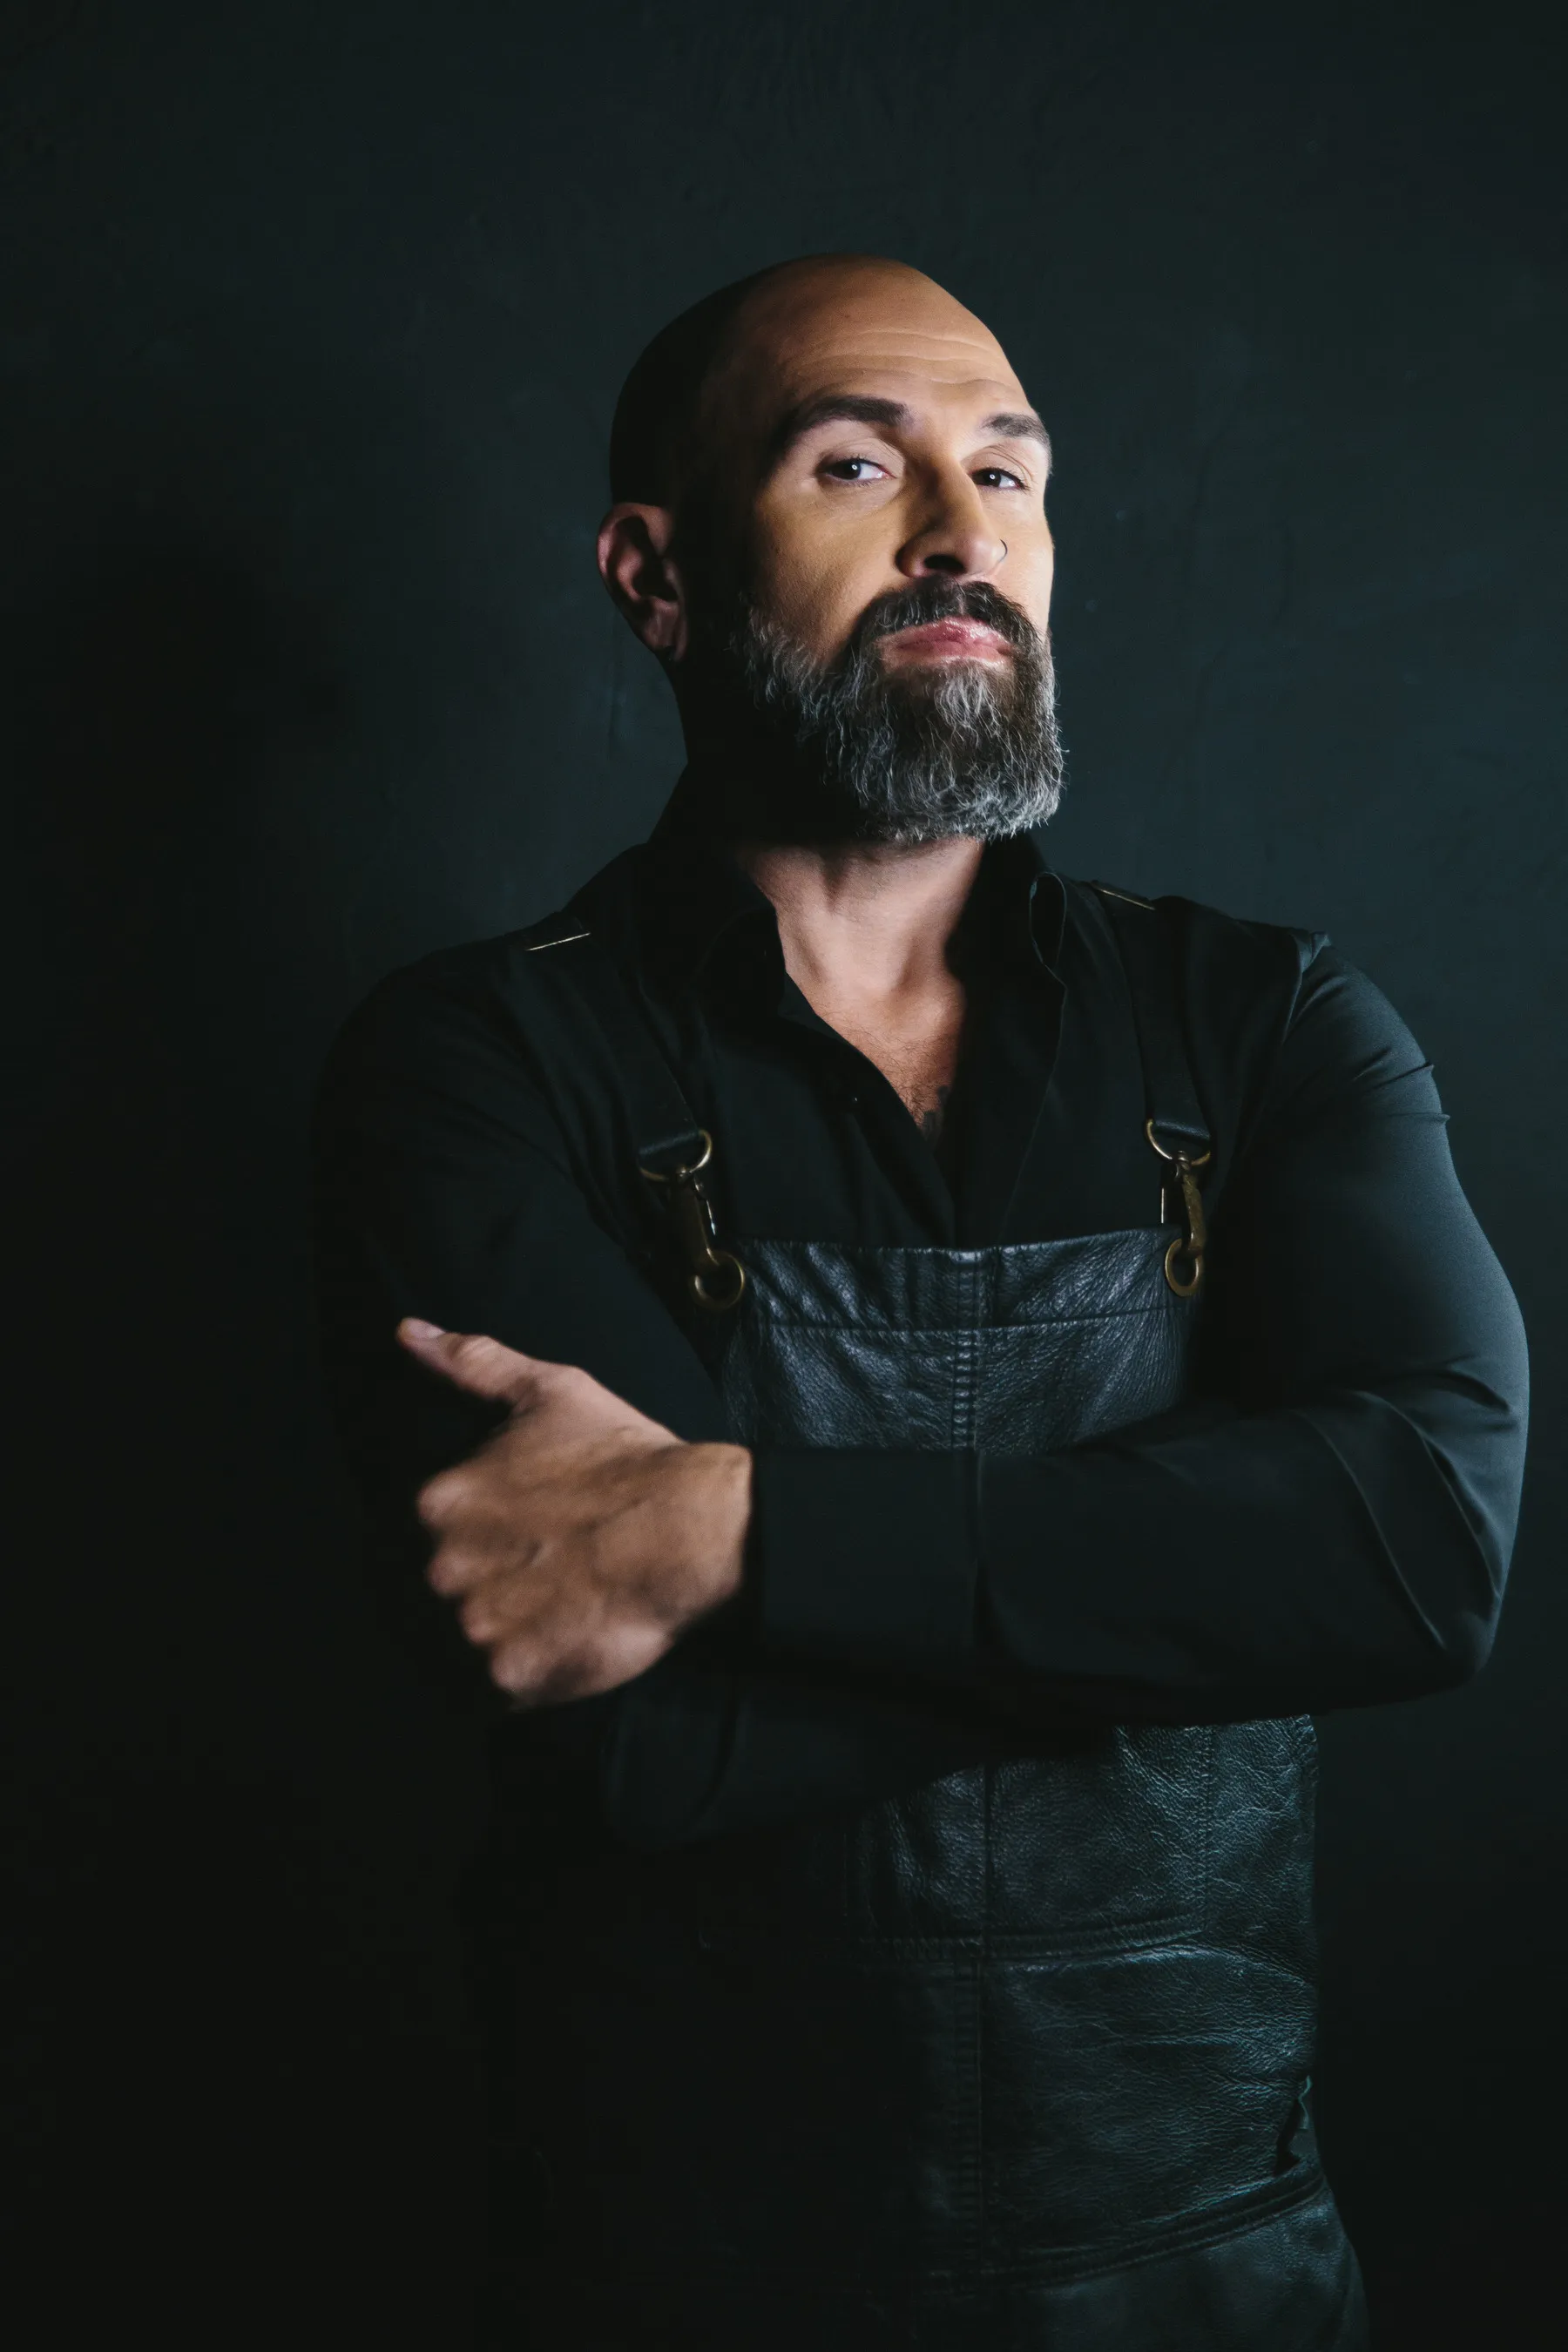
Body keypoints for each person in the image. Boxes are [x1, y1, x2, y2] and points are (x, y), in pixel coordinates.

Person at [312, 254, 1528, 2350]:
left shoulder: (1267, 1023)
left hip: (1215, 2276)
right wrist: (1208, 1590)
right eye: (857, 465)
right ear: (657, 575)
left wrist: (737, 1529)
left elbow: (1420, 1554)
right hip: (676, 2284)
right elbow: (632, 1732)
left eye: (1009, 472)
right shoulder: (481, 1062)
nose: (963, 531)